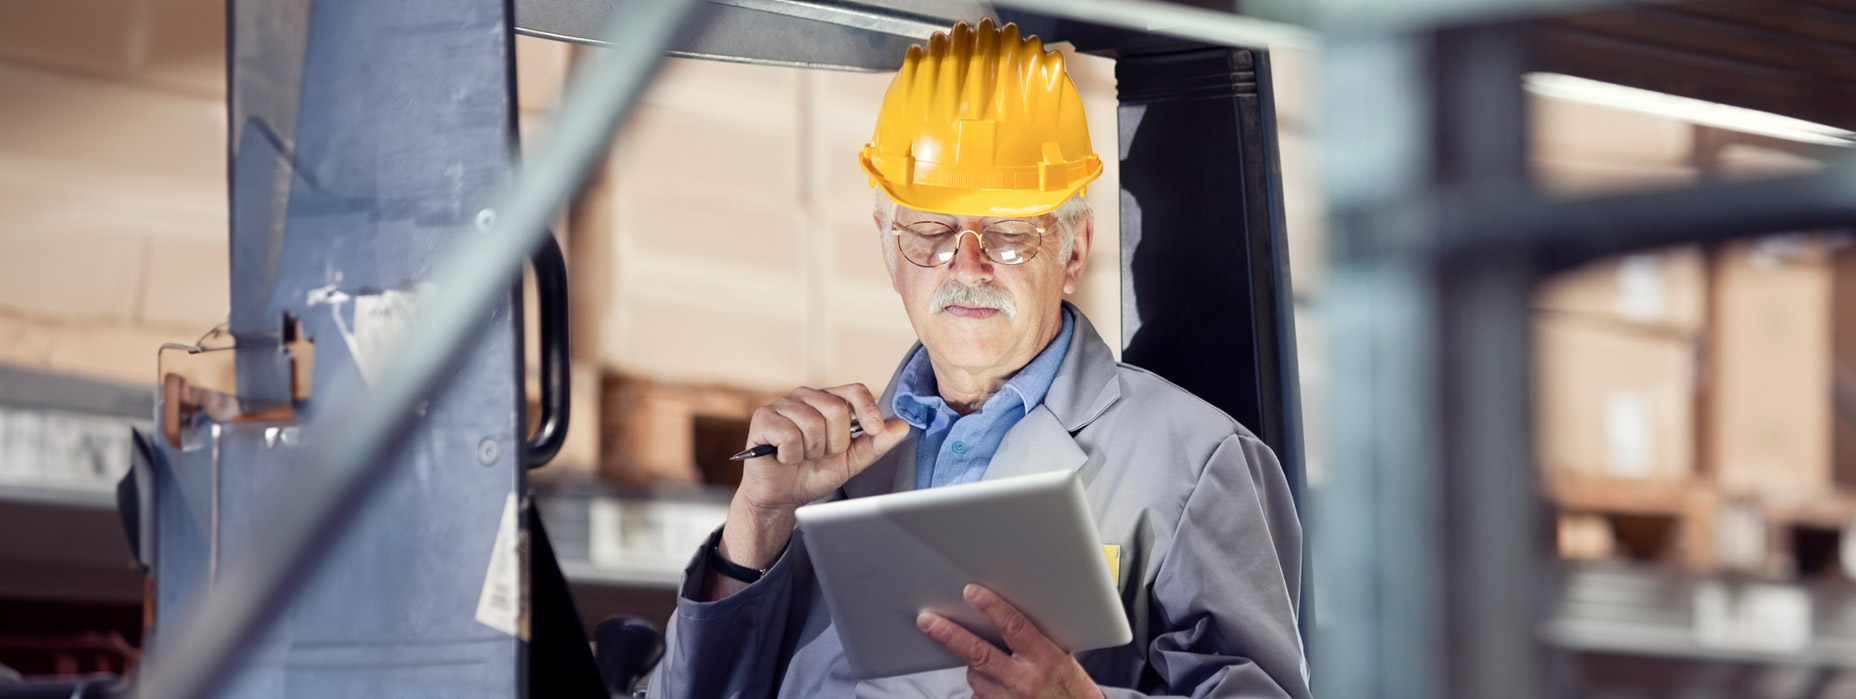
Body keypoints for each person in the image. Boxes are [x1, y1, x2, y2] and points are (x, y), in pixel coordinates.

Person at [647, 19, 1309, 698]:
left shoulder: (1192, 461)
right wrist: (756, 526)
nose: (968, 265)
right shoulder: (832, 465)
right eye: (932, 231)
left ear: (1073, 248)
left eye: (1009, 233)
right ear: (886, 246)